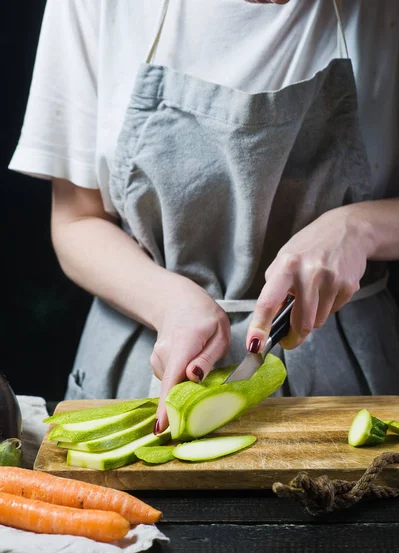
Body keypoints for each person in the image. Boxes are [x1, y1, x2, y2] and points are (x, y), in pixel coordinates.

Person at [9, 0, 399, 435]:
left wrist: (359, 229)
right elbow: (75, 221)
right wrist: (169, 302)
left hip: (349, 386)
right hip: (143, 376)